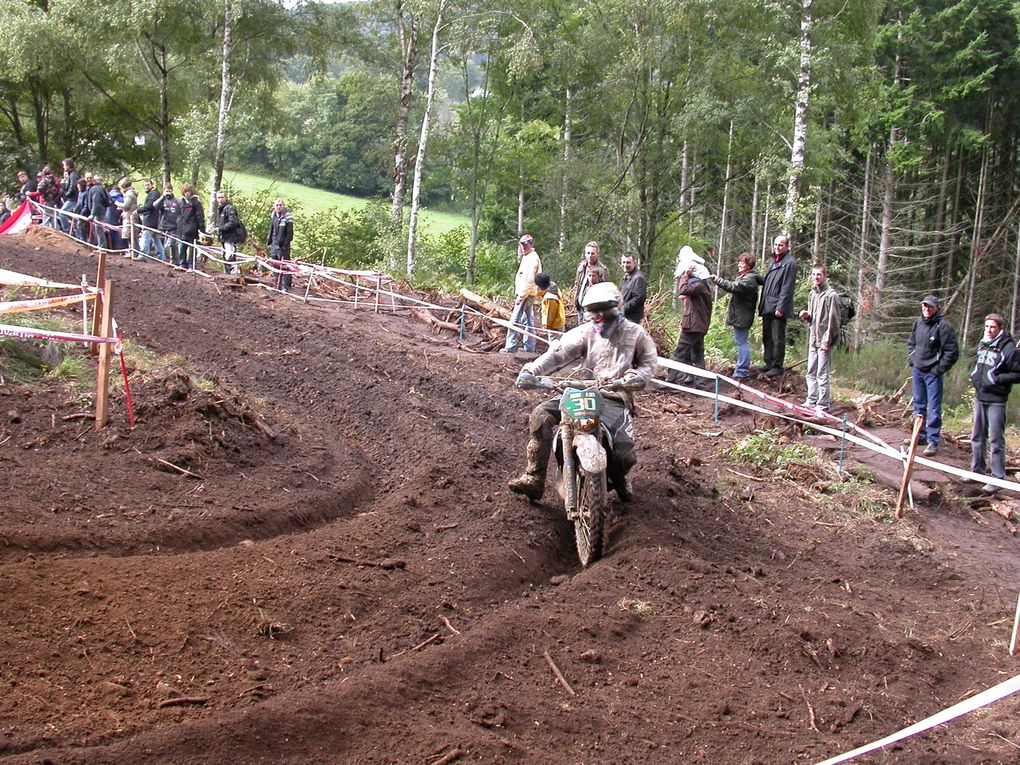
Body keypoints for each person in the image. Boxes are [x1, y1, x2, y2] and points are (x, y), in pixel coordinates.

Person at [509, 281, 658, 503]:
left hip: (615, 395)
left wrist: (637, 377)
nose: (598, 318)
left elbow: (649, 362)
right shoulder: (586, 332)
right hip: (582, 391)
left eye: (603, 313)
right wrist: (532, 370)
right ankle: (534, 476)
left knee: (624, 454)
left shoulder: (636, 334)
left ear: (616, 309)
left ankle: (619, 477)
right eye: (593, 313)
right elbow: (558, 354)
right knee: (542, 414)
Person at [969, 313, 1020, 494]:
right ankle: (976, 471)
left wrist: (997, 379)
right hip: (980, 395)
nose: (989, 330)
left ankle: (998, 478)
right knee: (977, 436)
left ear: (1000, 328)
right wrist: (975, 376)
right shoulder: (983, 343)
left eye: (993, 327)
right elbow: (979, 365)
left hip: (997, 400)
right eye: (987, 326)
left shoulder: (1009, 348)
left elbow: (1018, 374)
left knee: (996, 439)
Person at [907, 295, 959, 457]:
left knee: (934, 408)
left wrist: (938, 369)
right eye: (924, 306)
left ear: (937, 308)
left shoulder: (943, 327)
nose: (926, 309)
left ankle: (933, 441)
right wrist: (912, 359)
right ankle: (920, 436)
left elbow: (952, 352)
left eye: (929, 307)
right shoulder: (918, 323)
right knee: (919, 405)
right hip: (918, 370)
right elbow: (911, 343)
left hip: (933, 374)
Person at [797, 264, 841, 412]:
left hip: (824, 340)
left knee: (822, 374)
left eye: (819, 275)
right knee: (810, 371)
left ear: (825, 276)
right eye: (814, 274)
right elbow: (813, 318)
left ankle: (823, 405)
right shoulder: (812, 294)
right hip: (813, 338)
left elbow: (833, 321)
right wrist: (807, 316)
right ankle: (811, 399)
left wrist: (826, 341)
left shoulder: (831, 295)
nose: (816, 277)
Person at [710, 252, 760, 380]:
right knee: (741, 342)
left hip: (743, 316)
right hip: (740, 316)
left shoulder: (749, 280)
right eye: (739, 262)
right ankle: (741, 369)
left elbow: (733, 287)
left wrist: (718, 280)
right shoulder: (747, 277)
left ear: (748, 265)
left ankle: (742, 371)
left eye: (742, 263)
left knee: (742, 343)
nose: (739, 264)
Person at [757, 234, 799, 378]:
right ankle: (768, 363)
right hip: (767, 305)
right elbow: (769, 281)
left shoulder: (790, 263)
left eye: (780, 245)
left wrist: (781, 307)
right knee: (767, 336)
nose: (777, 247)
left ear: (787, 246)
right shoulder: (773, 261)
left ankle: (777, 366)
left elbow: (787, 287)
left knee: (777, 338)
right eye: (775, 244)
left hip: (777, 307)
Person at [666, 263, 713, 388]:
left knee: (679, 353)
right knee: (697, 355)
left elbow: (683, 290)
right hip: (698, 326)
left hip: (692, 326)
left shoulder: (698, 285)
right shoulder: (703, 286)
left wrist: (685, 276)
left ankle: (670, 380)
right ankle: (700, 383)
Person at [502, 233, 542, 353]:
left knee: (515, 320)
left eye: (526, 244)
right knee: (528, 320)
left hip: (526, 293)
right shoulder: (528, 256)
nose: (523, 247)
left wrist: (521, 296)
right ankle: (529, 348)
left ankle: (510, 347)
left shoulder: (532, 258)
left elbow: (529, 280)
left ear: (531, 244)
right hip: (529, 293)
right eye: (522, 244)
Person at [573, 242, 609, 327]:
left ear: (597, 254)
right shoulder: (582, 266)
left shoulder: (602, 270)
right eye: (588, 253)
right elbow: (577, 284)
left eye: (592, 253)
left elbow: (606, 291)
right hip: (581, 308)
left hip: (593, 310)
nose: (590, 255)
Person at [267, 197, 294, 291]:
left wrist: (285, 245)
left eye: (280, 205)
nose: (278, 207)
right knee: (275, 264)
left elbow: (290, 233)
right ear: (274, 206)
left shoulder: (287, 216)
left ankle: (285, 286)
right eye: (276, 205)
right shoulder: (273, 215)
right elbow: (271, 228)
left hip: (283, 245)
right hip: (274, 244)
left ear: (283, 206)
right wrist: (269, 241)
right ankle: (276, 284)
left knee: (285, 265)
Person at [136, 179, 165, 261]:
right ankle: (161, 255)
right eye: (145, 185)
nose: (146, 187)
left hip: (151, 219)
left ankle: (143, 254)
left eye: (148, 185)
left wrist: (138, 210)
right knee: (155, 238)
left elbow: (149, 206)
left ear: (152, 185)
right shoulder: (153, 194)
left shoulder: (153, 194)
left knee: (146, 236)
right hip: (153, 219)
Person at [177, 183, 204, 269]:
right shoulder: (181, 202)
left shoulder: (196, 202)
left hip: (192, 229)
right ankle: (182, 264)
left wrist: (202, 230)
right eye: (185, 191)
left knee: (192, 248)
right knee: (182, 247)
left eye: (189, 191)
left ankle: (191, 265)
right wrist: (178, 224)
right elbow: (179, 215)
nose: (187, 193)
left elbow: (200, 216)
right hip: (182, 229)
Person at [215, 189, 243, 274]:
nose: (220, 199)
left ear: (226, 198)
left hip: (230, 237)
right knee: (225, 255)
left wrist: (221, 228)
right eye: (218, 198)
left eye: (222, 197)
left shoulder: (230, 208)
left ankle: (233, 274)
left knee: (229, 255)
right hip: (223, 236)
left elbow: (233, 222)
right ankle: (228, 274)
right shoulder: (220, 209)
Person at [155, 184, 181, 265]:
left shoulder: (177, 201)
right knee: (161, 243)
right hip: (163, 225)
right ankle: (161, 258)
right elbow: (155, 206)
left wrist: (178, 221)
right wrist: (163, 197)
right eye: (166, 191)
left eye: (169, 191)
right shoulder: (162, 200)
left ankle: (174, 260)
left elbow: (180, 213)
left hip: (174, 226)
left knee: (172, 244)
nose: (168, 193)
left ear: (172, 191)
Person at [534, 272, 565, 340]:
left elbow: (550, 314)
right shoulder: (554, 287)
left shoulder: (550, 297)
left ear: (540, 286)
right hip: (559, 322)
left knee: (555, 345)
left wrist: (547, 326)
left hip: (555, 326)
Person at [619, 253, 647, 324]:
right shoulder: (625, 277)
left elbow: (639, 299)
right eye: (623, 262)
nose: (625, 265)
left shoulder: (638, 278)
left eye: (628, 262)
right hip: (624, 318)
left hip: (632, 320)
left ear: (634, 263)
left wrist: (622, 309)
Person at [86, 174, 112, 249]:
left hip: (98, 212)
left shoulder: (95, 189)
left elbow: (95, 202)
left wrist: (92, 214)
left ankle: (102, 246)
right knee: (97, 229)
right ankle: (100, 245)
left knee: (98, 229)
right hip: (102, 211)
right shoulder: (101, 188)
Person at [117, 177, 139, 258]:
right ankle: (133, 251)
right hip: (130, 215)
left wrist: (118, 203)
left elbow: (126, 206)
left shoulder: (129, 194)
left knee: (131, 235)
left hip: (130, 217)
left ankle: (133, 252)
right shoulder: (131, 193)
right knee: (131, 235)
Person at [59, 159, 80, 234]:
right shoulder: (71, 175)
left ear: (68, 165)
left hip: (73, 199)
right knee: (74, 218)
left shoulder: (73, 175)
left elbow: (73, 187)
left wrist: (66, 194)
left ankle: (67, 231)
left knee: (62, 213)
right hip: (72, 199)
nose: (63, 167)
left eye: (64, 165)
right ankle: (76, 234)